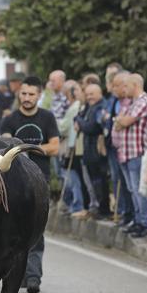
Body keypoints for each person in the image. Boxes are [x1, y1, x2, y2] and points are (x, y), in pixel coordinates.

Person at [0, 76, 60, 293]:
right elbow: (6, 145)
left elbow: (55, 147)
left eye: (31, 94)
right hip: (14, 183)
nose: (26, 98)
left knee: (35, 229)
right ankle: (17, 273)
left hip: (40, 181)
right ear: (19, 94)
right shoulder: (9, 119)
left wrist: (22, 148)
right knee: (11, 229)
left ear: (39, 95)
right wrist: (35, 148)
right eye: (23, 94)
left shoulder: (47, 118)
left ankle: (33, 275)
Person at [114, 74, 147, 238]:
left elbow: (123, 122)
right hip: (126, 152)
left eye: (127, 86)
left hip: (136, 152)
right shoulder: (132, 103)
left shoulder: (143, 101)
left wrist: (120, 120)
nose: (124, 89)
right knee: (132, 190)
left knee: (139, 191)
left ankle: (145, 223)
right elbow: (118, 124)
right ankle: (138, 221)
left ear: (135, 85)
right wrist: (120, 120)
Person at [75, 84, 110, 217]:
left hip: (97, 151)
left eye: (92, 94)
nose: (89, 97)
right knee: (94, 181)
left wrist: (79, 121)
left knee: (100, 181)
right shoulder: (90, 107)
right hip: (89, 150)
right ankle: (98, 208)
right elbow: (78, 116)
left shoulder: (101, 107)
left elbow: (91, 127)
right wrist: (78, 119)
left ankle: (103, 209)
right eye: (88, 94)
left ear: (100, 93)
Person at [105, 69, 134, 226]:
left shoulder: (132, 102)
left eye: (116, 85)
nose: (113, 89)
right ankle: (125, 213)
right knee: (119, 181)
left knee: (129, 185)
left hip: (128, 149)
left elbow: (122, 122)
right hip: (114, 147)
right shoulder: (116, 101)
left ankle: (131, 214)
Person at [58, 80, 85, 216]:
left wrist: (53, 122)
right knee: (71, 177)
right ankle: (75, 204)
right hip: (73, 145)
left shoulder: (75, 107)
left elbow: (62, 128)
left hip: (72, 145)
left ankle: (77, 205)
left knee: (71, 178)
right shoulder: (76, 107)